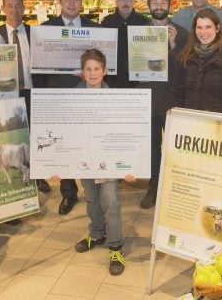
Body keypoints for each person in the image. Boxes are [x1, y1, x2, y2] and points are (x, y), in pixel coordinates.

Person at [73, 48, 135, 276]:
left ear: (105, 71)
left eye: (96, 68)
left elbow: (127, 134)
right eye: (88, 69)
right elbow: (66, 134)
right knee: (91, 198)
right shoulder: (71, 99)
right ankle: (97, 233)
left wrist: (129, 165)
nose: (92, 73)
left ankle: (116, 246)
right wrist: (56, 165)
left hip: (108, 160)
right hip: (85, 160)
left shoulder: (115, 99)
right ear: (81, 72)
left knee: (110, 200)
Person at [42, 0, 99, 215]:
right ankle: (68, 192)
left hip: (88, 95)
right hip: (60, 94)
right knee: (63, 144)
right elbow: (41, 66)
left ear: (82, 1)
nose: (72, 4)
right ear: (60, 1)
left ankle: (94, 188)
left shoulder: (94, 28)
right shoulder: (46, 29)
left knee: (88, 140)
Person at [0, 0, 51, 195]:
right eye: (10, 6)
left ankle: (39, 175)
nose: (15, 10)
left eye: (18, 6)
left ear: (24, 8)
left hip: (33, 91)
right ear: (3, 9)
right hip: (8, 96)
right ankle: (22, 175)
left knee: (35, 136)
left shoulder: (35, 33)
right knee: (17, 135)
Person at [139, 0, 188, 209]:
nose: (159, 6)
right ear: (149, 5)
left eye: (163, 2)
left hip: (173, 99)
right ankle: (153, 186)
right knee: (151, 147)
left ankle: (176, 188)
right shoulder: (137, 33)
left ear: (170, 4)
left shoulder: (183, 33)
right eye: (155, 2)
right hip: (147, 98)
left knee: (175, 147)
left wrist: (174, 45)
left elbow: (187, 69)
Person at [170, 8, 222, 115]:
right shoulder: (186, 57)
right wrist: (177, 117)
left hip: (217, 125)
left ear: (217, 28)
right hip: (189, 123)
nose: (203, 32)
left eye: (208, 27)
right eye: (199, 27)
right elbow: (177, 93)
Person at [101, 0, 149, 88]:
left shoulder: (144, 22)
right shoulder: (107, 22)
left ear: (134, 0)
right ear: (116, 0)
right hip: (112, 80)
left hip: (138, 81)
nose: (126, 3)